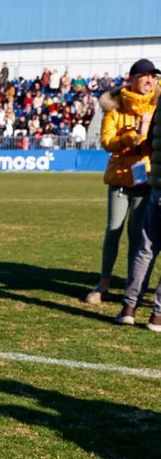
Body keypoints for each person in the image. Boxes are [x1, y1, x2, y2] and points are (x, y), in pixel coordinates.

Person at [85, 58, 160, 305]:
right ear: (132, 78)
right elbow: (107, 141)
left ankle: (132, 286)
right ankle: (103, 283)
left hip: (145, 179)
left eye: (153, 76)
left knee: (138, 236)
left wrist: (147, 136)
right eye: (144, 76)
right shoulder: (115, 106)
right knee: (113, 231)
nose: (149, 80)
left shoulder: (157, 105)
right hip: (119, 178)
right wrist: (132, 136)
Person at [114, 95, 161, 331]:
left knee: (146, 248)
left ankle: (129, 308)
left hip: (158, 185)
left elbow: (151, 140)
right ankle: (158, 316)